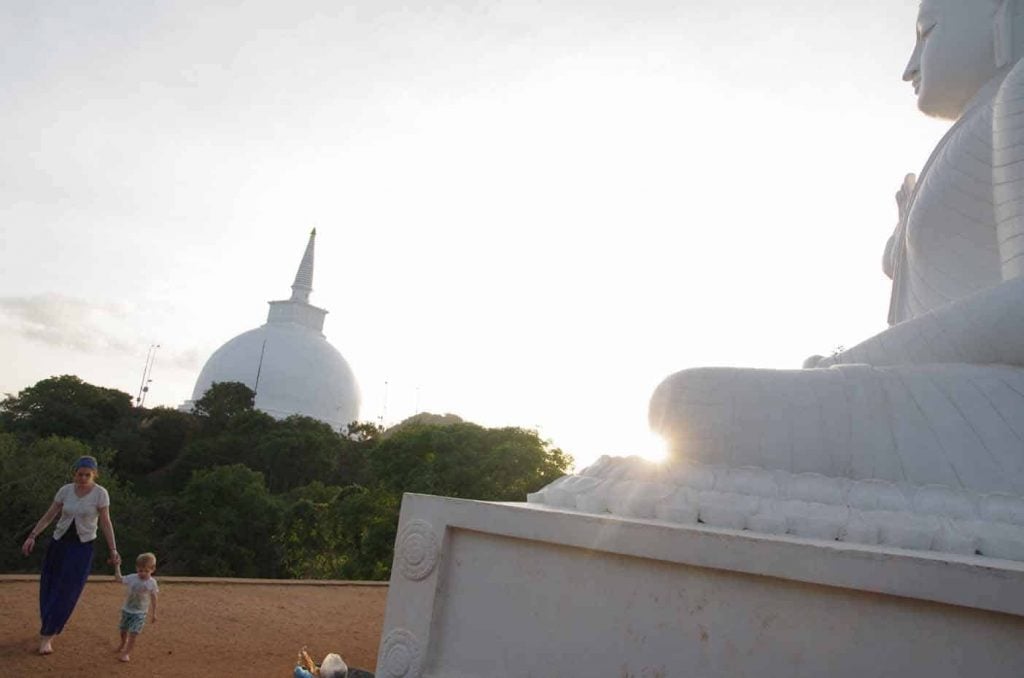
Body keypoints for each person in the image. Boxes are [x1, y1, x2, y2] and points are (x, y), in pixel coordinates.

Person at [647, 0, 1024, 499]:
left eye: (927, 33)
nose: (910, 66)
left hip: (1001, 407)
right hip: (954, 393)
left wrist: (849, 368)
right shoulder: (978, 122)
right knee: (683, 412)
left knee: (690, 407)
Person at [21, 455, 121, 655]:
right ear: (74, 473)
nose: (82, 478)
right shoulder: (65, 490)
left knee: (68, 591)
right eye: (79, 474)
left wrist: (113, 550)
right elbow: (50, 515)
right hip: (59, 545)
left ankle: (47, 636)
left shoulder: (100, 494)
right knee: (49, 585)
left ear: (94, 475)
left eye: (87, 475)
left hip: (81, 549)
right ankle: (48, 622)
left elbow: (105, 522)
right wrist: (32, 535)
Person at [113, 552, 159, 663]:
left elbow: (154, 597)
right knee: (123, 630)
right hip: (127, 609)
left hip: (140, 612)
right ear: (136, 568)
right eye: (140, 570)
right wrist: (117, 565)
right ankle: (123, 643)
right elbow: (119, 579)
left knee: (134, 633)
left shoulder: (152, 583)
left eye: (146, 571)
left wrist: (154, 613)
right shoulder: (132, 578)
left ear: (152, 569)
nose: (142, 573)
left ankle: (126, 653)